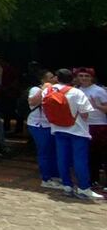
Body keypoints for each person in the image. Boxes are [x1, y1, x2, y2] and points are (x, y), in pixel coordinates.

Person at [45, 68, 100, 199]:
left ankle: (67, 186)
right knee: (80, 160)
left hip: (58, 128)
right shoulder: (77, 92)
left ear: (57, 78)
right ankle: (83, 188)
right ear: (72, 79)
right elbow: (85, 114)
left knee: (62, 158)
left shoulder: (48, 91)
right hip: (78, 130)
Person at [26, 70, 60, 188]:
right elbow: (32, 102)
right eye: (50, 78)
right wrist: (43, 90)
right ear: (43, 80)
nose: (53, 79)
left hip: (52, 125)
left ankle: (56, 176)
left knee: (53, 151)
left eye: (54, 77)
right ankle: (46, 179)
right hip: (38, 124)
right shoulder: (35, 89)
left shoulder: (57, 89)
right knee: (44, 151)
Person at [76, 67, 106, 189]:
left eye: (86, 76)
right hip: (82, 126)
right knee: (87, 154)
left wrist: (97, 106)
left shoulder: (99, 90)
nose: (84, 78)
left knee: (100, 154)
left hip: (99, 125)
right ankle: (91, 179)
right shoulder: (76, 90)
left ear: (92, 78)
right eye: (81, 76)